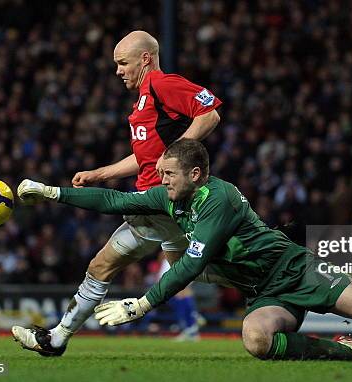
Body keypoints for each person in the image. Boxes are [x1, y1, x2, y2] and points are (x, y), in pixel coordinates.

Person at [16, 139, 352, 364]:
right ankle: (347, 352)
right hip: (264, 291)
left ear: (196, 175)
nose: (160, 181)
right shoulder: (168, 196)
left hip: (296, 270)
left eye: (169, 175)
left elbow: (194, 263)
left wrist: (140, 304)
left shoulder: (216, 199)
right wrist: (52, 193)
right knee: (256, 340)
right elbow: (113, 198)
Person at [12, 31, 222, 355]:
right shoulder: (143, 100)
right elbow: (145, 158)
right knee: (197, 272)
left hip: (160, 203)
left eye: (123, 63)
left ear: (145, 59)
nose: (118, 70)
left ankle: (57, 338)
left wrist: (176, 156)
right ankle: (276, 283)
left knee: (105, 266)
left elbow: (209, 114)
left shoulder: (162, 84)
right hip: (161, 208)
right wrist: (101, 173)